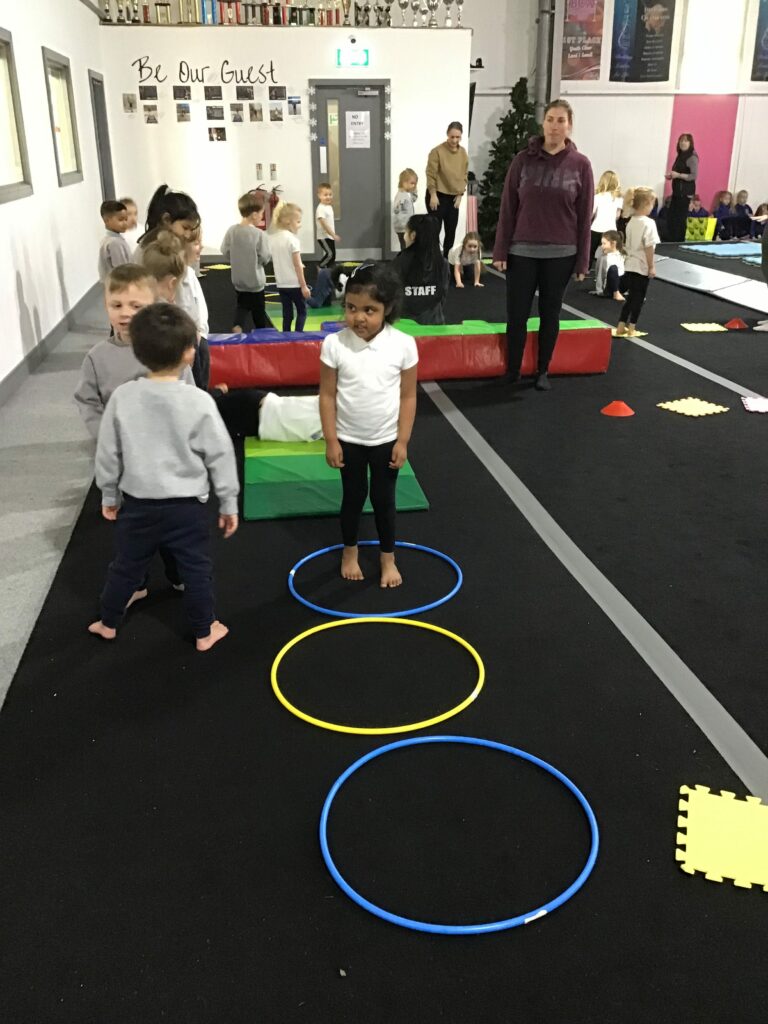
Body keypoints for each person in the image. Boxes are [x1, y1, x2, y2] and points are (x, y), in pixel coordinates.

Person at [88, 304, 238, 652]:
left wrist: (108, 494)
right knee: (196, 569)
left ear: (138, 352)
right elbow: (220, 455)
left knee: (125, 565)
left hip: (137, 504)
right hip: (186, 508)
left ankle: (108, 622)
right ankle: (204, 630)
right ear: (189, 353)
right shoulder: (199, 401)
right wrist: (228, 502)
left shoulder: (123, 397)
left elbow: (108, 452)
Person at [319, 263, 417, 589]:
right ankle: (350, 551)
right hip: (348, 439)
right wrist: (331, 440)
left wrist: (402, 441)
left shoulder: (403, 344)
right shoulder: (334, 344)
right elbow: (327, 395)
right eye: (351, 308)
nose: (358, 317)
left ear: (387, 308)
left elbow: (408, 396)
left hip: (385, 440)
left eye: (369, 310)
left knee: (384, 500)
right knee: (353, 497)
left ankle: (388, 557)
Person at [492, 98, 594, 391]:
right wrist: (500, 250)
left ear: (569, 126)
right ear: (543, 123)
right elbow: (508, 208)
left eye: (561, 120)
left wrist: (583, 260)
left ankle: (542, 371)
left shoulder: (581, 165)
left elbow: (584, 216)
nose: (554, 126)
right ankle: (513, 370)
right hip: (521, 251)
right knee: (517, 315)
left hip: (562, 253)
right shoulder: (522, 161)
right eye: (550, 119)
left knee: (550, 314)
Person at [74, 264, 195, 439]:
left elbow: (189, 395)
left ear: (153, 307)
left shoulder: (170, 348)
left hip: (167, 439)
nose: (125, 313)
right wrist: (104, 434)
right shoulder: (97, 357)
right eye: (116, 305)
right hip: (118, 441)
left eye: (136, 306)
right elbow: (88, 401)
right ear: (106, 306)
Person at [220, 191, 272, 331]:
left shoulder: (232, 231)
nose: (261, 216)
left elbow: (224, 250)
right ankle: (261, 332)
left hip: (239, 280)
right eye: (261, 213)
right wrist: (256, 261)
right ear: (254, 215)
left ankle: (238, 325)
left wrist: (236, 259)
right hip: (255, 281)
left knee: (242, 306)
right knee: (258, 310)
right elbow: (265, 256)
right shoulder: (259, 234)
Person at [616, 187, 659, 337]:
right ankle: (632, 327)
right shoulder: (649, 223)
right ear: (646, 203)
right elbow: (649, 247)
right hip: (641, 266)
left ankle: (621, 325)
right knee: (639, 299)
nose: (652, 207)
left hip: (629, 265)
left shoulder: (631, 221)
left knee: (630, 297)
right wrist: (651, 266)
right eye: (652, 204)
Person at [392, 214, 450, 324]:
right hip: (434, 324)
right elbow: (442, 295)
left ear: (413, 235)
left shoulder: (398, 263)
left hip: (404, 325)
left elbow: (391, 296)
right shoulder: (443, 263)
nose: (404, 236)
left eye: (406, 232)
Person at [425, 121, 469, 257]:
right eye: (452, 137)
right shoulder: (437, 151)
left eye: (458, 137)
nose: (454, 140)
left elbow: (464, 175)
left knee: (451, 232)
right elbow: (431, 174)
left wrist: (460, 194)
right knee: (434, 231)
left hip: (453, 197)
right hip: (437, 196)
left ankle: (446, 262)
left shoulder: (463, 153)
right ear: (447, 135)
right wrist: (433, 194)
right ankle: (433, 261)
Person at [270, 203, 311, 332]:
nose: (300, 225)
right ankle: (298, 336)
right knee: (302, 312)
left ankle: (285, 336)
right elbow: (297, 265)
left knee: (287, 314)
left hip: (281, 284)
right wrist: (304, 286)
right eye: (298, 222)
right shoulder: (293, 240)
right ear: (288, 221)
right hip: (295, 284)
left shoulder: (273, 239)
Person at [134, 184, 201, 259]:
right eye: (185, 228)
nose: (188, 235)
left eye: (191, 230)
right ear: (166, 220)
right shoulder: (155, 253)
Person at [665, 133, 698, 242]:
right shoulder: (680, 155)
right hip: (677, 192)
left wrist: (678, 175)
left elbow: (693, 176)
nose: (683, 143)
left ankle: (678, 241)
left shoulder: (692, 157)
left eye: (686, 141)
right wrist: (671, 176)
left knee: (680, 219)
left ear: (690, 143)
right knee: (672, 218)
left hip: (685, 193)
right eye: (681, 140)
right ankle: (671, 240)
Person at [590, 171, 622, 268]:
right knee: (610, 254)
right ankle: (608, 271)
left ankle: (585, 271)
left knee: (590, 252)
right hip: (611, 229)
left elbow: (591, 213)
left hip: (596, 228)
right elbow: (617, 215)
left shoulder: (597, 197)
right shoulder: (618, 198)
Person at [98, 200, 131, 282]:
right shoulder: (114, 243)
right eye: (120, 220)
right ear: (106, 221)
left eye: (126, 219)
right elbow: (121, 269)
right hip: (120, 284)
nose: (125, 223)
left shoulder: (108, 240)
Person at [593, 230, 626, 301]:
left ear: (613, 244)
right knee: (613, 268)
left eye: (604, 244)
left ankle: (635, 293)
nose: (602, 246)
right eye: (602, 243)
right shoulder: (603, 258)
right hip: (610, 287)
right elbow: (599, 275)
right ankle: (616, 293)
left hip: (621, 285)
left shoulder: (622, 254)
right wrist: (599, 290)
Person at [315, 183, 340, 268]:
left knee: (333, 256)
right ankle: (320, 266)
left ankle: (329, 271)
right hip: (323, 237)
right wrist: (333, 235)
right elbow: (324, 224)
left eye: (330, 194)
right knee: (330, 254)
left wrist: (332, 235)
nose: (328, 197)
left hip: (329, 236)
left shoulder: (329, 207)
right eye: (325, 195)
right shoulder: (320, 209)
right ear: (319, 196)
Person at [393, 168, 418, 251]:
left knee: (406, 246)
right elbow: (397, 211)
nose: (414, 186)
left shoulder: (405, 194)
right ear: (404, 182)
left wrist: (414, 192)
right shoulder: (401, 196)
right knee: (405, 246)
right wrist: (406, 226)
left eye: (415, 184)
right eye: (412, 183)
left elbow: (413, 200)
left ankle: (406, 257)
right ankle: (405, 258)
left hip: (405, 226)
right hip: (403, 227)